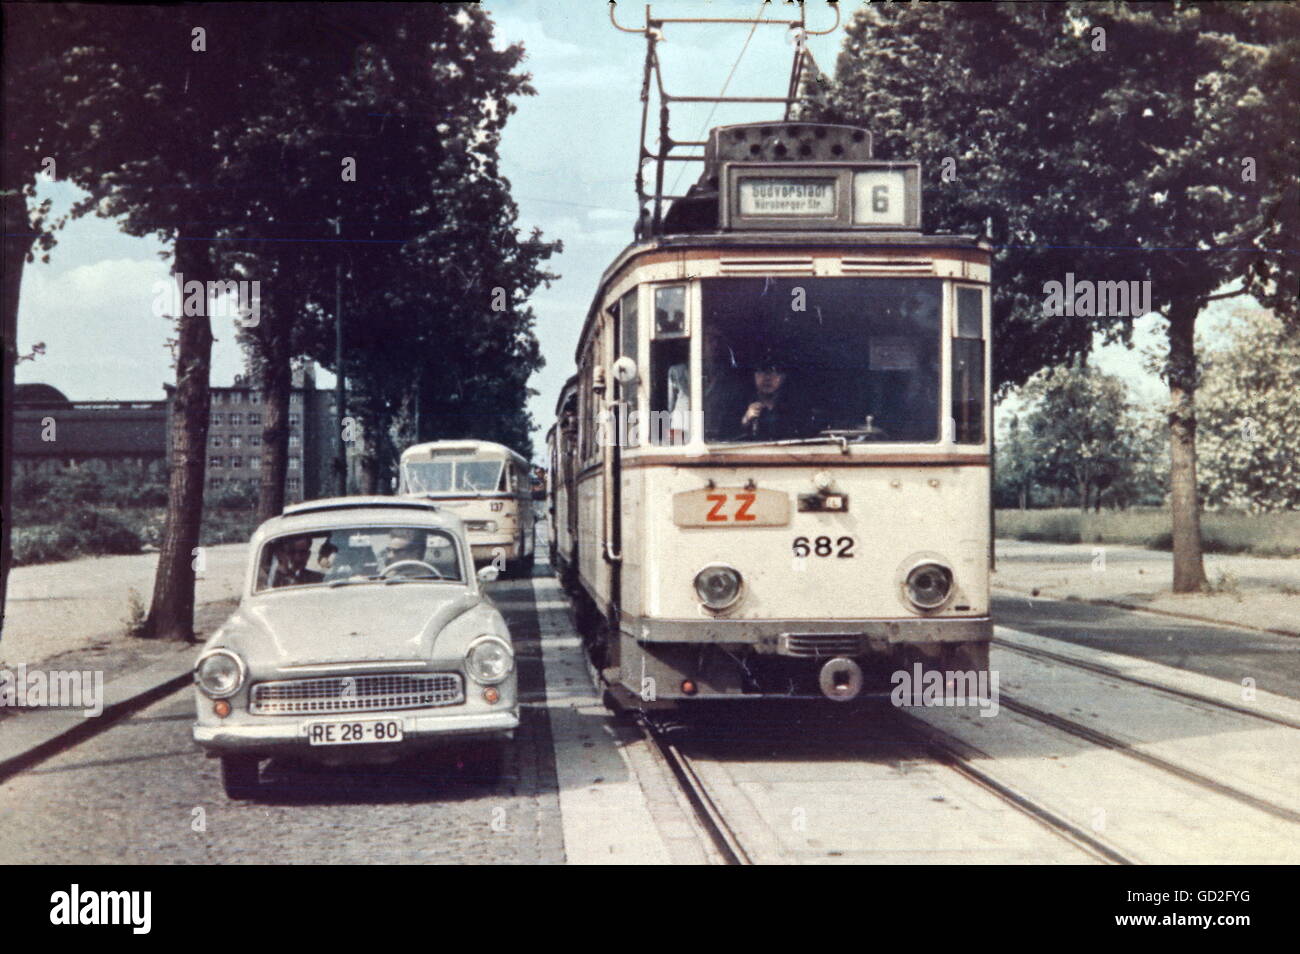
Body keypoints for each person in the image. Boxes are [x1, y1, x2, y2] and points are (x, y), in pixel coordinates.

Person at [733, 354, 813, 441]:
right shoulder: (740, 404)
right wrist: (745, 420)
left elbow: (807, 436)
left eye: (776, 371)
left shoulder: (795, 406)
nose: (768, 377)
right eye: (762, 370)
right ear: (754, 375)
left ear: (783, 377)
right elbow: (723, 438)